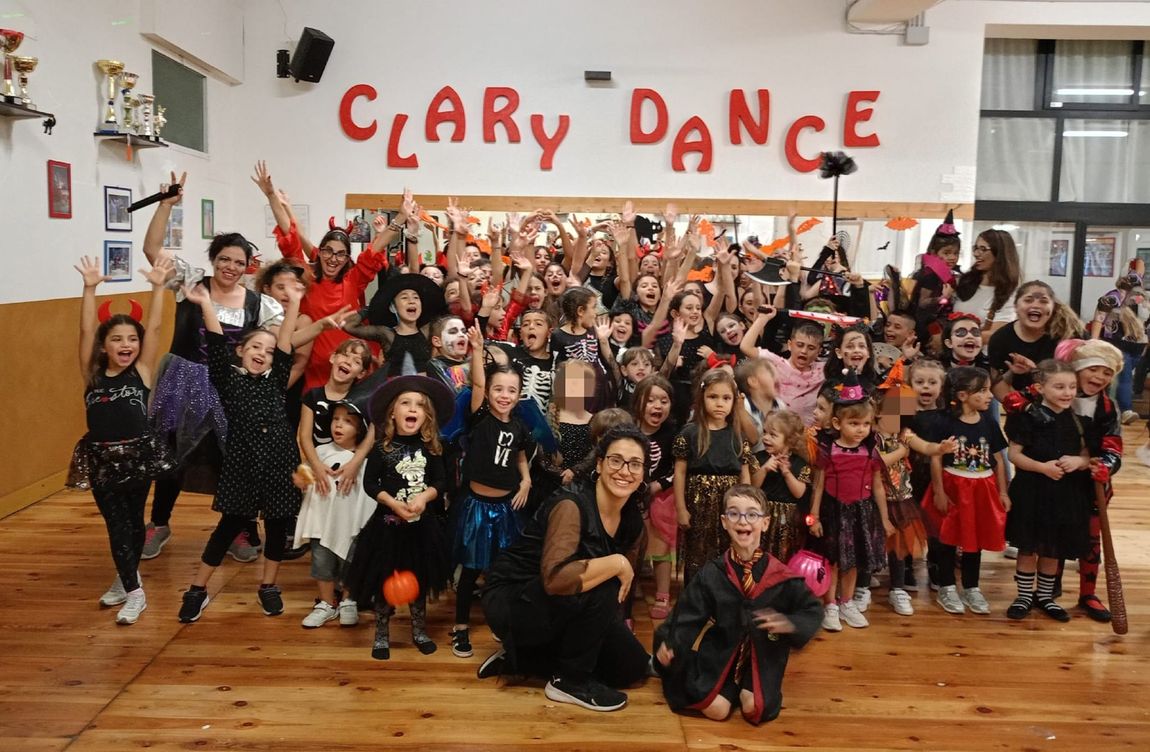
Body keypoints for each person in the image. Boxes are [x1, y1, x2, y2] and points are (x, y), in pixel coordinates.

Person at [143, 171, 285, 561]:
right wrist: (166, 206)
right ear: (214, 259)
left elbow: (275, 345)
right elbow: (152, 250)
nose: (230, 267)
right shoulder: (192, 284)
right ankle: (159, 523)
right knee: (171, 455)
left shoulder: (260, 303)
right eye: (224, 259)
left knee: (236, 458)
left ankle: (240, 527)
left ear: (248, 266)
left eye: (239, 262)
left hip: (232, 388)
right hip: (183, 381)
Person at [479, 426, 653, 712]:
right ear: (599, 464)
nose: (625, 471)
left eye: (635, 464)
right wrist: (617, 563)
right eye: (616, 460)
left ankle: (525, 658)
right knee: (606, 578)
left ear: (644, 472)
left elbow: (621, 595)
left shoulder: (632, 518)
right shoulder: (571, 504)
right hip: (515, 598)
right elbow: (555, 579)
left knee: (631, 667)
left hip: (568, 603)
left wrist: (613, 639)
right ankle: (568, 681)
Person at [176, 278, 303, 623]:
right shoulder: (228, 379)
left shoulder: (277, 381)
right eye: (255, 347)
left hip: (279, 465)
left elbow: (286, 342)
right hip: (242, 466)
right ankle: (197, 589)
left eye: (268, 351)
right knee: (227, 527)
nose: (262, 353)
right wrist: (206, 303)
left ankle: (268, 586)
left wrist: (293, 303)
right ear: (241, 351)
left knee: (277, 528)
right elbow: (216, 342)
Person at [653, 485, 822, 725]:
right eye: (734, 513)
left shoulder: (781, 577)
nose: (743, 520)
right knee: (717, 710)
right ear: (724, 522)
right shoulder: (713, 574)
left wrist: (790, 623)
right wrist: (672, 644)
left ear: (765, 523)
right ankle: (723, 685)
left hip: (763, 657)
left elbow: (812, 610)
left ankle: (742, 688)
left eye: (752, 514)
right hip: (721, 653)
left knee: (754, 708)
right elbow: (687, 614)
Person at [71, 255, 174, 625]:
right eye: (116, 339)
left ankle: (124, 577)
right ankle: (135, 592)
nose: (126, 344)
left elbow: (156, 327)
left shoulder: (142, 372)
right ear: (104, 347)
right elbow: (86, 332)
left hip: (138, 457)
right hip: (102, 461)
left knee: (133, 523)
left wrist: (158, 287)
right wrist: (89, 289)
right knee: (116, 525)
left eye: (132, 339)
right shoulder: (93, 376)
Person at [256, 161, 399, 390]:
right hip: (317, 371)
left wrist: (400, 218)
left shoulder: (353, 280)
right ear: (320, 252)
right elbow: (291, 237)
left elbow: (376, 248)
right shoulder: (306, 279)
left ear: (347, 258)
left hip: (354, 371)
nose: (334, 258)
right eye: (328, 251)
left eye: (341, 254)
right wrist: (272, 197)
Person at [344, 375, 454, 658]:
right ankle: (381, 634)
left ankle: (419, 630)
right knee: (385, 580)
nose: (413, 408)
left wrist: (424, 497)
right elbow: (370, 484)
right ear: (393, 412)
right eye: (406, 403)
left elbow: (441, 481)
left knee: (419, 579)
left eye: (420, 404)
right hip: (387, 528)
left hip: (422, 529)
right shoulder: (382, 448)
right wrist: (392, 502)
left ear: (427, 415)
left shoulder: (432, 447)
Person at [451, 326, 536, 659]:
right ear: (488, 393)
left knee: (503, 570)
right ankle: (460, 626)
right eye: (498, 389)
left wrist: (526, 480)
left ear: (519, 394)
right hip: (477, 507)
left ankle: (503, 622)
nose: (504, 395)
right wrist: (477, 349)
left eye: (511, 390)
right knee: (472, 569)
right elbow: (476, 383)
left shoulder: (519, 425)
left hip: (506, 508)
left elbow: (520, 454)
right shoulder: (481, 418)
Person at [1004, 360, 1094, 622]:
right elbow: (1014, 455)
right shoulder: (1026, 417)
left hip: (1066, 493)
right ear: (1040, 388)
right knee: (1028, 546)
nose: (1067, 393)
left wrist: (1078, 461)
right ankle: (1023, 596)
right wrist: (1042, 468)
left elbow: (1088, 455)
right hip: (1032, 491)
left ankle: (1045, 596)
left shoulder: (1079, 420)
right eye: (1059, 387)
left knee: (1054, 547)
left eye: (1072, 387)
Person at [916, 367, 1010, 616]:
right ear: (963, 395)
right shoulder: (943, 422)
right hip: (953, 487)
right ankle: (947, 586)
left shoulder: (989, 422)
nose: (990, 396)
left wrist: (1002, 492)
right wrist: (938, 491)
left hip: (981, 489)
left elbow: (998, 459)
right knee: (947, 538)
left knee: (974, 540)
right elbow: (936, 457)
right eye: (983, 390)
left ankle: (971, 587)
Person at [806, 371, 892, 632]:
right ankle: (830, 605)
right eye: (854, 423)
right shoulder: (828, 449)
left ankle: (847, 602)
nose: (861, 429)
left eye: (865, 424)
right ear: (837, 422)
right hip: (833, 511)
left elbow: (878, 486)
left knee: (852, 561)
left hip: (861, 512)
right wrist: (814, 516)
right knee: (833, 560)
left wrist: (885, 518)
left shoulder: (869, 451)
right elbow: (818, 484)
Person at [293, 399, 376, 629]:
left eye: (347, 421)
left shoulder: (364, 460)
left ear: (360, 428)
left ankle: (348, 600)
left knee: (350, 563)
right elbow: (304, 474)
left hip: (349, 524)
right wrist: (302, 478)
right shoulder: (321, 451)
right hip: (321, 522)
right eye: (335, 419)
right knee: (322, 564)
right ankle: (327, 603)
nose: (338, 425)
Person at [673, 369, 756, 584]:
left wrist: (746, 510)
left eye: (726, 398)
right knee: (698, 552)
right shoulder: (689, 433)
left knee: (728, 551)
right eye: (713, 397)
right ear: (702, 398)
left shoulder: (738, 436)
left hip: (730, 505)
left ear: (734, 401)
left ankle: (724, 596)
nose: (719, 404)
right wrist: (681, 509)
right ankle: (696, 596)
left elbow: (745, 476)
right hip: (698, 505)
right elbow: (679, 473)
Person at [630, 375, 677, 619]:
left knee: (661, 546)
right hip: (629, 496)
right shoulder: (628, 430)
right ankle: (632, 583)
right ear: (638, 401)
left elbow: (679, 469)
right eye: (650, 400)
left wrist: (659, 484)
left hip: (661, 498)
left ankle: (663, 594)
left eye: (664, 401)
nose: (657, 406)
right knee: (632, 543)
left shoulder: (674, 434)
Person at [740, 308, 826, 424]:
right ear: (790, 345)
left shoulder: (824, 370)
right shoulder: (776, 363)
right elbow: (745, 347)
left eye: (811, 348)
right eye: (800, 345)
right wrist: (762, 318)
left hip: (809, 432)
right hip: (778, 429)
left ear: (819, 351)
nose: (804, 351)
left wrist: (843, 324)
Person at [757, 410, 811, 563]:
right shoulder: (759, 459)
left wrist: (786, 472)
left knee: (784, 555)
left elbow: (799, 493)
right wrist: (764, 469)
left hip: (787, 520)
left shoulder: (800, 464)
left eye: (773, 435)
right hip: (763, 514)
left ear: (789, 440)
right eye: (765, 432)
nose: (766, 438)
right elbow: (752, 487)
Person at [953, 229, 1021, 344]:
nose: (976, 254)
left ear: (1000, 253)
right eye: (976, 248)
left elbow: (995, 334)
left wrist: (952, 338)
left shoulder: (1010, 293)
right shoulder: (964, 282)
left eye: (983, 249)